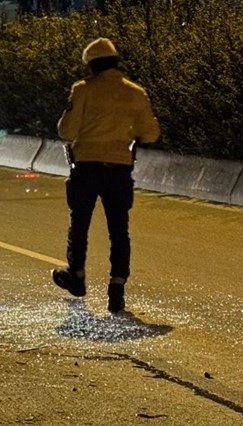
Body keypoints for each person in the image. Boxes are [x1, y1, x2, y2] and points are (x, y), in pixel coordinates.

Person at [52, 38, 160, 313]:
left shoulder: (82, 90)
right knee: (119, 230)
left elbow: (67, 131)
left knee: (79, 224)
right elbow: (150, 133)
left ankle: (76, 277)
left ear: (91, 65)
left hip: (86, 167)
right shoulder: (136, 93)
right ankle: (117, 289)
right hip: (120, 169)